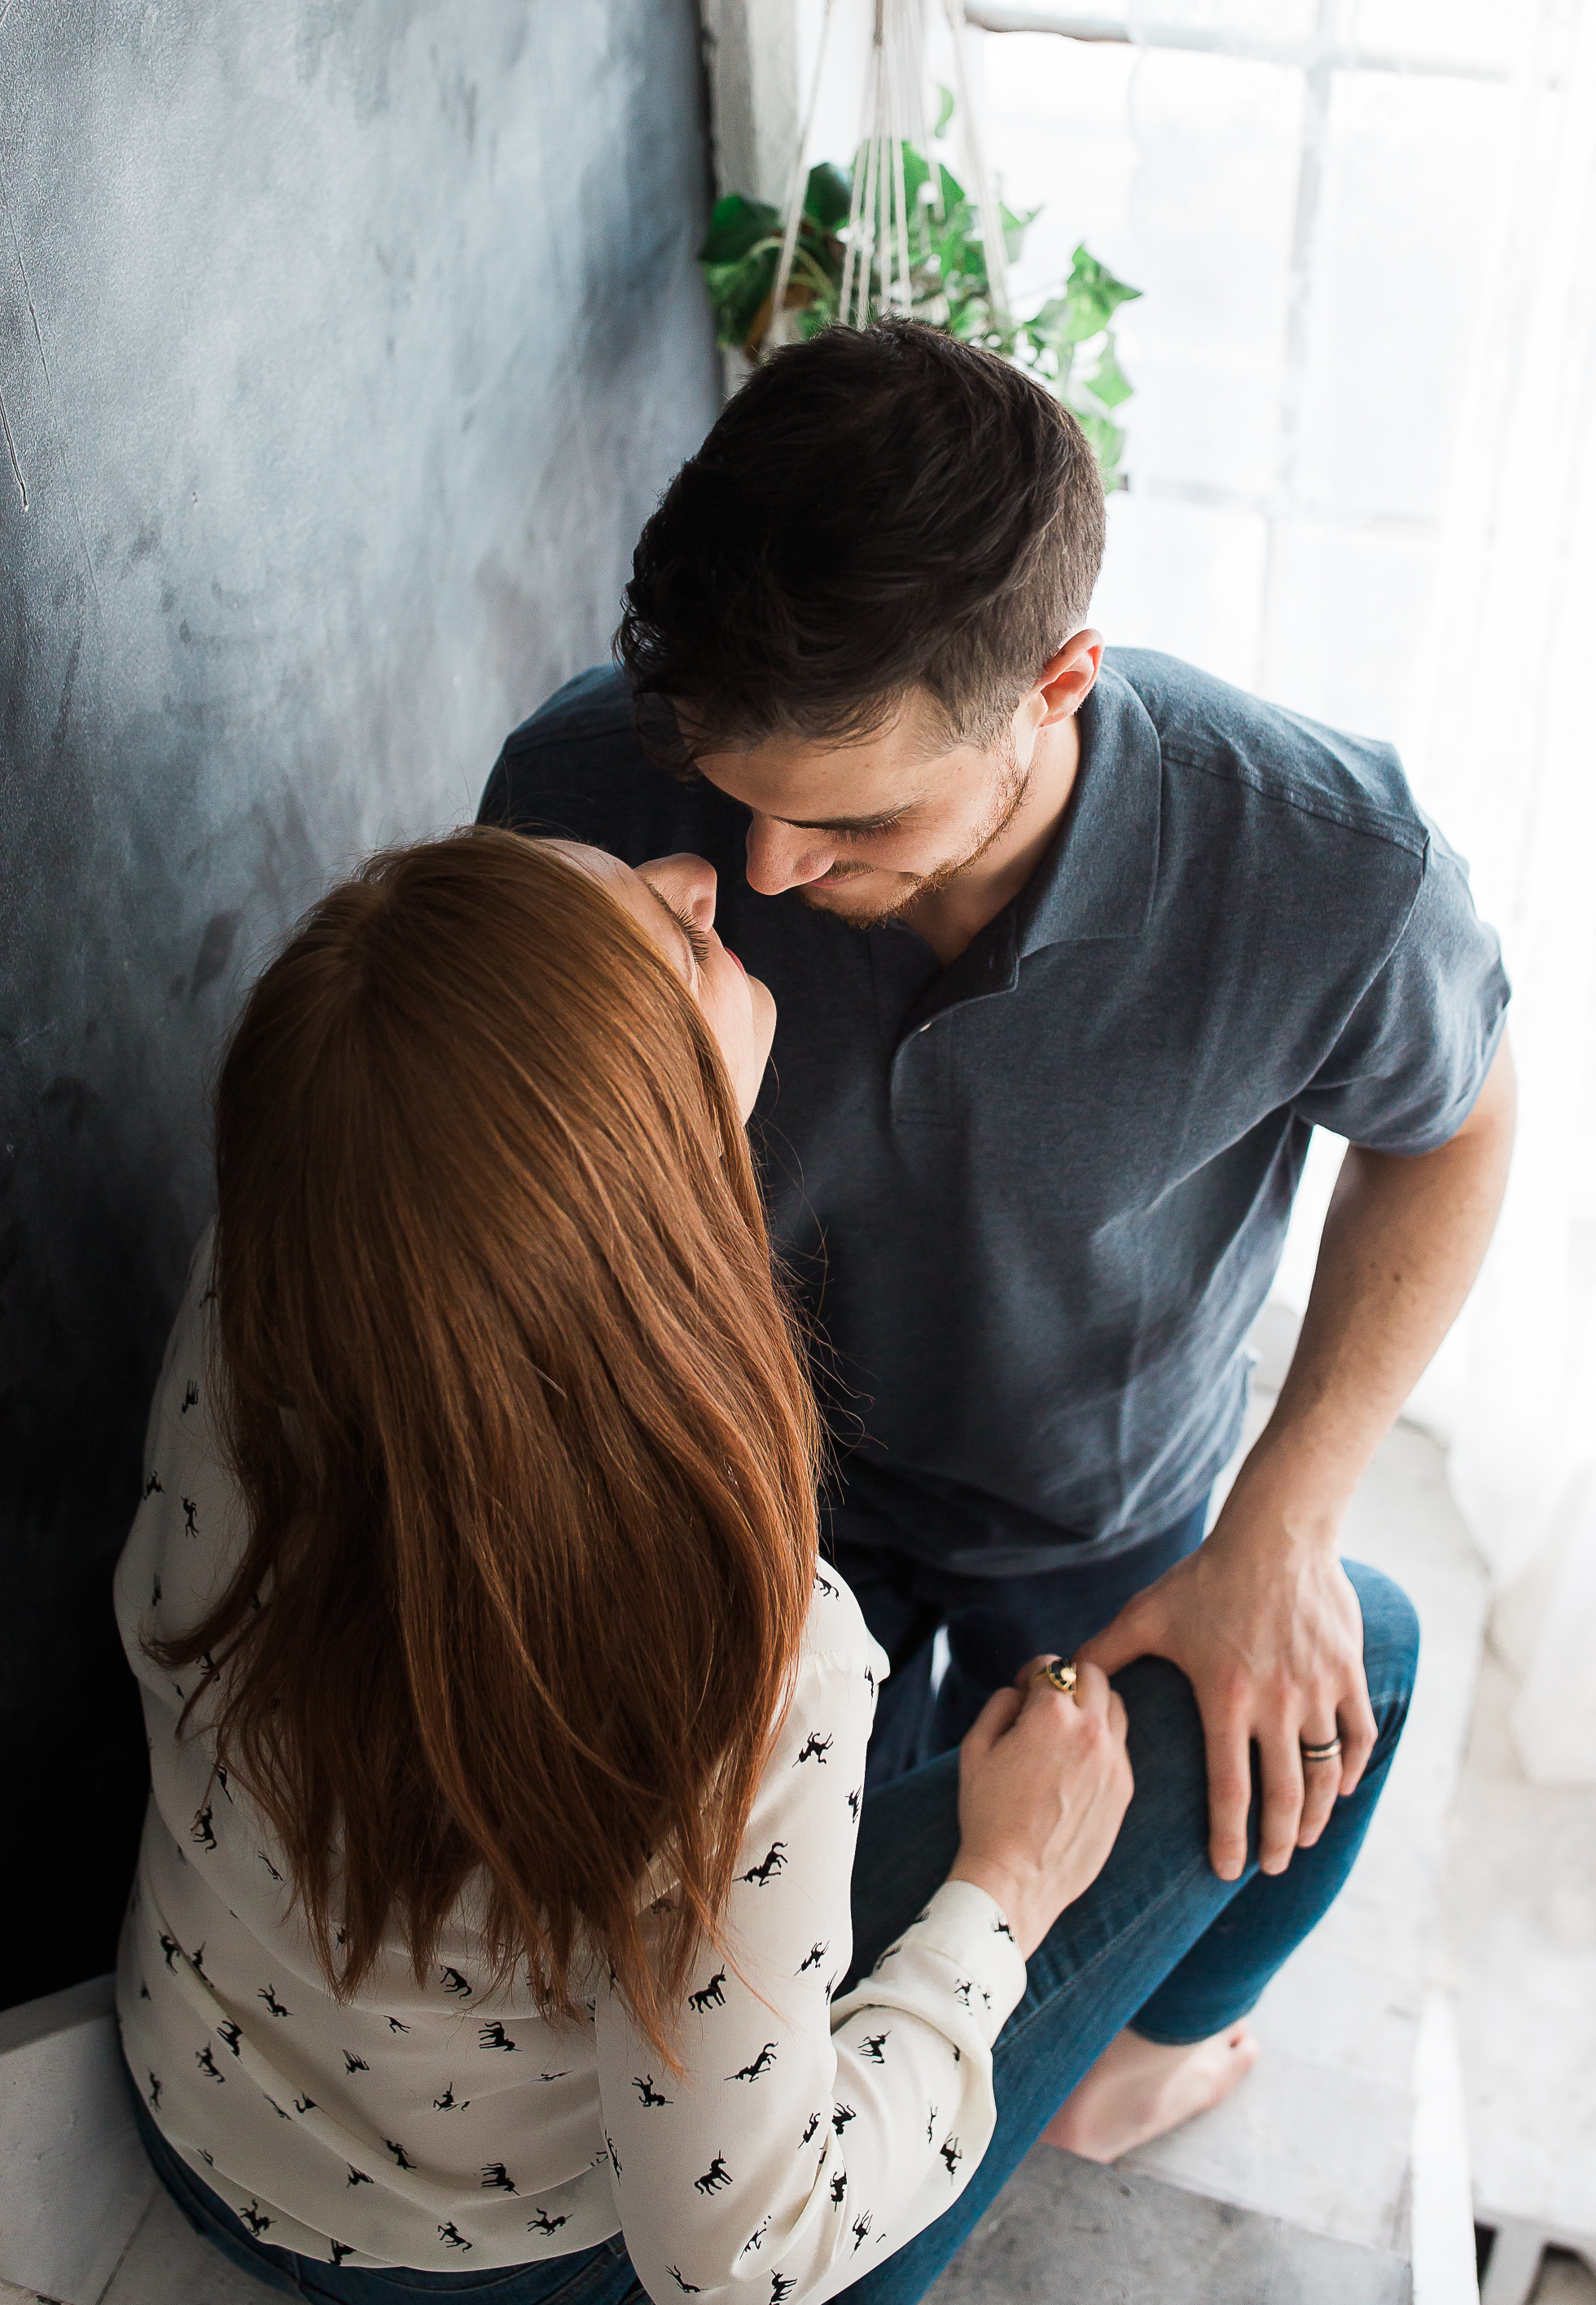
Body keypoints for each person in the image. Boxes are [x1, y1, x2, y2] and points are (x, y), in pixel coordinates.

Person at [116, 826, 1419, 2303]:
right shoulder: (754, 1652)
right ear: (627, 1163)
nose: (694, 872)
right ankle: (1111, 2086)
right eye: (661, 946)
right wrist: (1007, 1892)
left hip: (196, 2102)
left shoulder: (284, 1263)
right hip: (507, 2270)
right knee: (1365, 1643)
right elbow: (741, 2258)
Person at [482, 321, 1514, 2158]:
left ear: (1061, 681)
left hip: (1103, 1506)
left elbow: (1456, 1130)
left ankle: (1157, 2060)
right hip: (753, 1512)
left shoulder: (1335, 864)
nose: (769, 870)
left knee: (1228, 1794)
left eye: (855, 814)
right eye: (735, 793)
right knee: (792, 1972)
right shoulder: (580, 799)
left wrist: (1289, 1513)